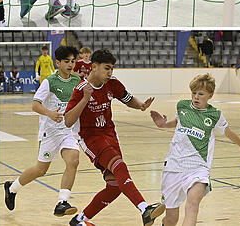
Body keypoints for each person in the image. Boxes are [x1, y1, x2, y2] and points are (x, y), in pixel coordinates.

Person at [63, 49, 164, 225]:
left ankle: (80, 219)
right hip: (90, 138)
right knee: (119, 165)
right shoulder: (81, 89)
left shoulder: (113, 83)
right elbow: (68, 121)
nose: (110, 73)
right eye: (107, 68)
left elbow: (126, 98)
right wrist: (85, 99)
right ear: (94, 67)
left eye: (112, 69)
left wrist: (140, 106)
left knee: (115, 186)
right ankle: (144, 208)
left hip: (110, 134)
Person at [150, 73, 240, 226]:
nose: (196, 96)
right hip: (174, 167)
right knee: (171, 220)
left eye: (200, 94)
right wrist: (163, 124)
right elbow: (178, 122)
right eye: (193, 93)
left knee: (193, 205)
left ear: (210, 95)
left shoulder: (215, 115)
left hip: (198, 168)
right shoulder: (182, 105)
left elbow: (229, 133)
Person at [3, 46, 81, 217]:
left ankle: (62, 202)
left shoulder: (76, 82)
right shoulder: (49, 82)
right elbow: (35, 105)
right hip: (50, 132)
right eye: (66, 61)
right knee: (40, 170)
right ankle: (12, 187)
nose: (70, 64)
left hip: (67, 131)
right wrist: (50, 114)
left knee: (73, 160)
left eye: (73, 61)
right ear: (58, 63)